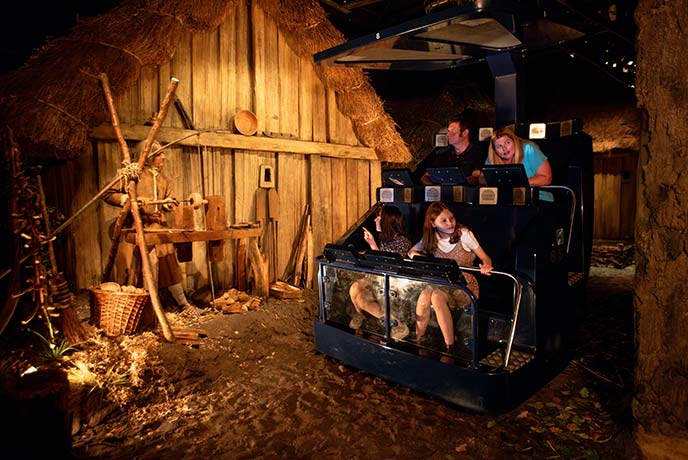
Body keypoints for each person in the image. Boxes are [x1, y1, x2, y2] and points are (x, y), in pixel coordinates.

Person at [103, 140, 192, 310]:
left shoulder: (163, 179)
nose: (163, 157)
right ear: (148, 156)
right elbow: (108, 193)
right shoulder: (132, 175)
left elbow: (170, 199)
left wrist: (168, 203)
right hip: (136, 228)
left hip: (158, 227)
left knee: (168, 261)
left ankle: (182, 302)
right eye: (159, 154)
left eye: (163, 153)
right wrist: (130, 201)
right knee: (132, 268)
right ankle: (130, 307)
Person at [408, 202, 493, 354]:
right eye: (444, 221)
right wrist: (424, 259)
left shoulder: (464, 234)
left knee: (435, 295)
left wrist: (486, 265)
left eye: (451, 218)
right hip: (442, 283)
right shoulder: (432, 237)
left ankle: (450, 347)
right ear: (433, 224)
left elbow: (485, 257)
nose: (450, 223)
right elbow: (412, 252)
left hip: (464, 285)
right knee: (425, 294)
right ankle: (418, 338)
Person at [349, 205, 411, 341]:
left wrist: (372, 244)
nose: (376, 219)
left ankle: (399, 325)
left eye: (379, 217)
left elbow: (390, 264)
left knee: (361, 299)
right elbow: (379, 258)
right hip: (379, 276)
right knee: (354, 288)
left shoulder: (402, 241)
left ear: (387, 221)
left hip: (394, 282)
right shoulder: (384, 238)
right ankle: (361, 315)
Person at [415, 110, 484, 185]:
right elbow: (425, 177)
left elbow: (478, 178)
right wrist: (435, 187)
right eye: (448, 131)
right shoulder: (444, 155)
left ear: (465, 133)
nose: (448, 135)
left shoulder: (479, 153)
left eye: (453, 132)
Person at [480, 127, 552, 186]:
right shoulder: (492, 156)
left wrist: (517, 182)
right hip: (505, 199)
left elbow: (546, 178)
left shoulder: (528, 149)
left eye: (507, 143)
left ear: (514, 141)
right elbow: (482, 179)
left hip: (537, 197)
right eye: (499, 146)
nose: (504, 148)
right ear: (495, 150)